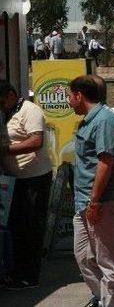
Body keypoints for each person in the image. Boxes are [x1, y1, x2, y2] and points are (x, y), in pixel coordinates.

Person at [68, 76, 114, 307]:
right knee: (83, 256)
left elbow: (105, 161)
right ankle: (102, 298)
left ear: (79, 95)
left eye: (69, 96)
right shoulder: (88, 120)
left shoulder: (103, 119)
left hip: (102, 202)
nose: (68, 101)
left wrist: (95, 201)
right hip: (84, 202)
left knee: (109, 262)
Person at [0, 82, 51, 290]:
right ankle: (16, 271)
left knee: (31, 227)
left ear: (12, 95)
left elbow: (35, 141)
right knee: (15, 228)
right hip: (13, 179)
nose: (1, 105)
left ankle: (30, 275)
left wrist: (5, 150)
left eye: (2, 101)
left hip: (34, 178)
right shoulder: (8, 112)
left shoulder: (30, 111)